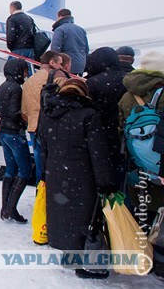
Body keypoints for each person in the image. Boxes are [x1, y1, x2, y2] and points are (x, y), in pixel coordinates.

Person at [39, 78, 115, 279]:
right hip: (82, 175)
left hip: (55, 173)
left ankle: (68, 254)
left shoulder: (48, 114)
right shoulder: (88, 115)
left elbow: (42, 147)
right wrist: (105, 182)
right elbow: (98, 153)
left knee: (62, 216)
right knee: (84, 218)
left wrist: (44, 173)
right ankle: (84, 265)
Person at [118, 50, 164, 279]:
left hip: (136, 165)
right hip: (160, 165)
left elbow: (120, 130)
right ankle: (160, 262)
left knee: (140, 208)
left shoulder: (127, 96)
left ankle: (140, 253)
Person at [0, 59, 31, 223]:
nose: (25, 74)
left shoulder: (3, 86)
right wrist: (24, 121)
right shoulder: (17, 88)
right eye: (24, 70)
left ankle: (5, 207)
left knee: (10, 169)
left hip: (4, 133)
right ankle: (11, 208)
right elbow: (15, 111)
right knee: (24, 171)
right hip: (15, 134)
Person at [21, 50, 66, 184]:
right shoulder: (56, 78)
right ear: (52, 62)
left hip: (33, 127)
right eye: (60, 64)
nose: (61, 67)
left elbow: (23, 110)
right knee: (52, 165)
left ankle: (39, 193)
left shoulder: (28, 81)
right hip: (50, 127)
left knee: (40, 163)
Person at [84, 47, 127, 186]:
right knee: (122, 174)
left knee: (102, 174)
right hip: (124, 135)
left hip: (100, 135)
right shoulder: (127, 79)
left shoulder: (93, 82)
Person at [50, 8, 89, 75]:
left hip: (66, 65)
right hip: (80, 65)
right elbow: (86, 49)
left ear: (60, 16)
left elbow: (55, 49)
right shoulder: (81, 30)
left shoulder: (60, 30)